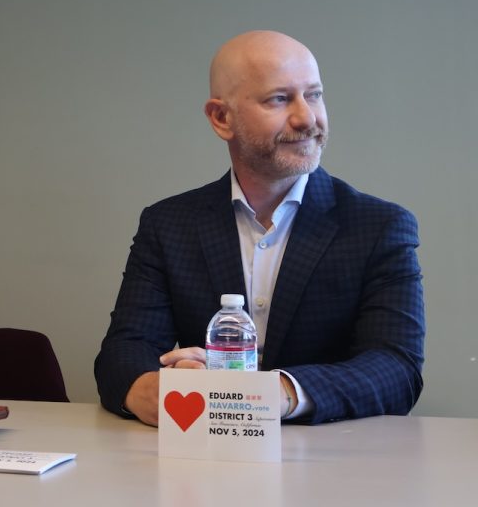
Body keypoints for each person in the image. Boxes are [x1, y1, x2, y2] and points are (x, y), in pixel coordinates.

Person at [94, 30, 425, 426]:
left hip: (331, 467)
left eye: (314, 95)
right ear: (221, 118)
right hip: (203, 460)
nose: (307, 118)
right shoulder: (168, 224)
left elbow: (396, 368)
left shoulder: (379, 226)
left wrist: (276, 395)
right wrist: (151, 387)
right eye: (279, 99)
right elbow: (125, 350)